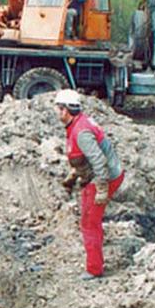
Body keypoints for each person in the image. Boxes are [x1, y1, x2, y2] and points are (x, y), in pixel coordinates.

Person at [56, 89, 125, 279]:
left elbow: (98, 160)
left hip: (104, 177)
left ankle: (94, 269)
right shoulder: (78, 123)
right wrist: (75, 174)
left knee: (89, 221)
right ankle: (96, 254)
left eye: (58, 108)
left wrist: (101, 188)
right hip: (103, 174)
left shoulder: (81, 132)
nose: (56, 112)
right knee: (90, 218)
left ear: (65, 110)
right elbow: (83, 156)